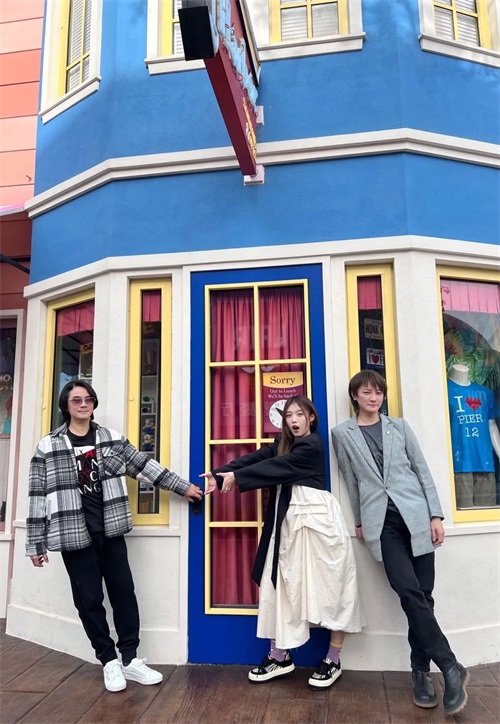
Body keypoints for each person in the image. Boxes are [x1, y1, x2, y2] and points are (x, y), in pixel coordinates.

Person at [26, 380, 202, 693]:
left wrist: (183, 487)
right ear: (65, 406)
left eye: (88, 399)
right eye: (76, 400)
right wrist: (36, 543)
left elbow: (145, 466)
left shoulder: (111, 439)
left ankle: (130, 659)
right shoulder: (48, 446)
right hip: (73, 534)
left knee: (124, 594)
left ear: (94, 404)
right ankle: (108, 661)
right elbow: (37, 494)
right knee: (89, 600)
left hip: (110, 530)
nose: (83, 404)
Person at [330, 370, 468, 717]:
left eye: (378, 392)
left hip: (417, 517)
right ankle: (450, 665)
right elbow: (351, 479)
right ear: (355, 396)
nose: (373, 397)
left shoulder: (400, 427)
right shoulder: (342, 434)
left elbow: (422, 470)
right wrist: (360, 520)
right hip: (382, 524)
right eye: (367, 392)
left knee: (424, 596)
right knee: (408, 591)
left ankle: (420, 672)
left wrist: (435, 515)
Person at [201, 395, 362, 690]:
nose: (294, 420)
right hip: (287, 521)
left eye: (299, 414)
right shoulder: (283, 442)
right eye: (289, 415)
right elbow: (260, 458)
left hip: (318, 523)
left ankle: (333, 659)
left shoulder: (312, 444)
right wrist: (222, 473)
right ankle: (279, 655)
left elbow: (278, 466)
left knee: (332, 588)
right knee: (280, 585)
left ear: (311, 418)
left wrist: (236, 477)